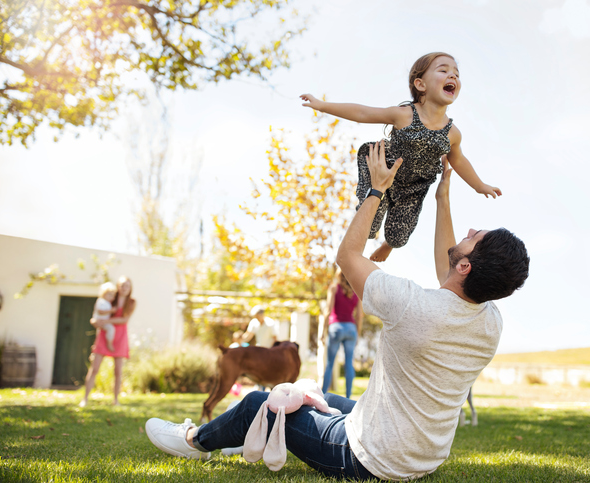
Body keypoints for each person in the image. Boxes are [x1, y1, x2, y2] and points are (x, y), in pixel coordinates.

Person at [145, 141, 529, 480]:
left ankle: (194, 439)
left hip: (366, 460)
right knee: (321, 396)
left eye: (476, 237)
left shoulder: (412, 304)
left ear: (466, 267)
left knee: (260, 402)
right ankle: (251, 434)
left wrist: (377, 188)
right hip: (423, 458)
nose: (472, 229)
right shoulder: (490, 321)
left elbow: (347, 257)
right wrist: (442, 197)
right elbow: (450, 272)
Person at [300, 52, 501, 262]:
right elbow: (363, 113)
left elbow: (458, 160)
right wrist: (322, 105)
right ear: (420, 84)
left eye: (456, 74)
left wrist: (479, 185)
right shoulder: (405, 114)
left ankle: (388, 245)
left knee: (399, 237)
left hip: (413, 188)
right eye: (443, 70)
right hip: (383, 171)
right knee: (369, 226)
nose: (453, 76)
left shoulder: (452, 134)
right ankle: (360, 241)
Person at [79, 276, 136, 407]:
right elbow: (97, 312)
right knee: (94, 368)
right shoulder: (110, 298)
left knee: (118, 371)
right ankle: (85, 399)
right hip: (104, 335)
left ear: (130, 288)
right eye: (122, 285)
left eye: (127, 286)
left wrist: (106, 321)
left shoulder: (131, 302)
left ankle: (115, 400)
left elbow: (124, 320)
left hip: (120, 336)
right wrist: (95, 321)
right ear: (118, 286)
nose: (124, 288)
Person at [320, 268, 363, 399]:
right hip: (351, 329)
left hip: (336, 327)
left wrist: (323, 332)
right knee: (349, 363)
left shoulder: (334, 288)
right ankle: (348, 397)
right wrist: (358, 333)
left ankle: (322, 396)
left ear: (339, 276)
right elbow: (360, 316)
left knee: (330, 363)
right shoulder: (357, 292)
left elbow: (328, 311)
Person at [93, 282, 118, 352]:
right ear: (104, 294)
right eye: (110, 295)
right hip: (100, 321)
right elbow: (101, 311)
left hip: (104, 321)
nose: (112, 297)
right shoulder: (101, 301)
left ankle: (108, 342)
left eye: (113, 296)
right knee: (111, 329)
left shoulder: (107, 302)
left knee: (110, 329)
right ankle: (109, 343)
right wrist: (111, 311)